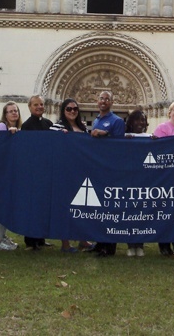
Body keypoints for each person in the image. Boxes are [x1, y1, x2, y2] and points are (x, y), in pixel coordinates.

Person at [51, 98, 89, 253]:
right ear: (63, 110)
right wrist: (61, 136)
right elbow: (50, 145)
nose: (72, 111)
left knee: (82, 206)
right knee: (65, 207)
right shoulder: (56, 127)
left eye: (75, 109)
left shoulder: (82, 127)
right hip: (64, 172)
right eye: (68, 109)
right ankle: (65, 243)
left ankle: (83, 240)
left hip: (81, 171)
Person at [90, 91, 125, 257]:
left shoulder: (116, 121)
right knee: (99, 207)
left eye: (107, 99)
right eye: (101, 98)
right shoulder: (97, 120)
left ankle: (109, 247)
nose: (103, 101)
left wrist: (107, 134)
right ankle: (99, 242)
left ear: (112, 102)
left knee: (111, 209)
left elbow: (119, 146)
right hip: (98, 168)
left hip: (112, 169)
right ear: (97, 101)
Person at [153, 100, 174, 256]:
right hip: (164, 176)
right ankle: (164, 245)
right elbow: (157, 148)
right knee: (164, 212)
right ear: (170, 112)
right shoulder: (162, 128)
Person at [21, 95, 53, 250]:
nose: (39, 107)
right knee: (32, 206)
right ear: (30, 107)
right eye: (36, 105)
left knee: (44, 206)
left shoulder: (48, 123)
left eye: (41, 104)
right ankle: (31, 240)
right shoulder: (27, 126)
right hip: (34, 171)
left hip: (47, 170)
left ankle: (41, 237)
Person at [0, 101, 22, 250]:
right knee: (0, 204)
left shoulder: (16, 128)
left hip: (11, 173)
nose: (14, 113)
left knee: (6, 204)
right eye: (10, 111)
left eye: (16, 110)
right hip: (1, 172)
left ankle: (2, 236)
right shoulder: (2, 127)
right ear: (5, 114)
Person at [124, 110, 150, 257]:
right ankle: (130, 245)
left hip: (144, 181)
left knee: (141, 214)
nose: (140, 123)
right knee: (129, 213)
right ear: (131, 122)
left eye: (143, 120)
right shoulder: (124, 138)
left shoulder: (150, 138)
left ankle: (140, 245)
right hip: (128, 180)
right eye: (137, 120)